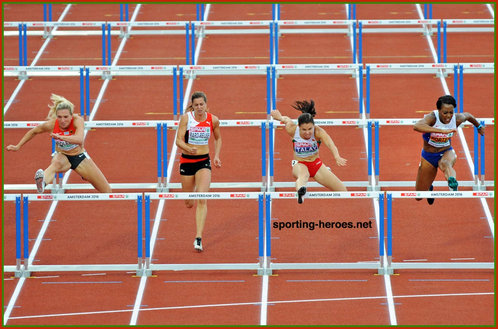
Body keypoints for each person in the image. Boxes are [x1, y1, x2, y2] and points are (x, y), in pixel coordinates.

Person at [6, 94, 111, 193]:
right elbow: (34, 131)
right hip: (63, 156)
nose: (62, 120)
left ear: (72, 116)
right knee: (56, 163)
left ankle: (86, 175)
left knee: (107, 191)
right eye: (59, 117)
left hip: (79, 157)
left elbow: (79, 139)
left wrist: (61, 137)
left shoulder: (77, 120)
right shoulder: (51, 124)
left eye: (65, 117)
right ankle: (42, 182)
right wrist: (18, 146)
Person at [270, 99, 347, 204]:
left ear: (314, 126)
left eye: (310, 129)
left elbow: (330, 144)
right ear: (299, 127)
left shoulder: (319, 132)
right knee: (303, 176)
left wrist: (337, 156)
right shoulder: (292, 130)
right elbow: (287, 120)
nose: (307, 133)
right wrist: (279, 117)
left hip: (316, 165)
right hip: (300, 164)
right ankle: (300, 192)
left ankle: (302, 189)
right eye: (304, 130)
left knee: (344, 192)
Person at [414, 95, 485, 204]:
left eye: (451, 112)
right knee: (418, 196)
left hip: (446, 151)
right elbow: (417, 126)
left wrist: (478, 126)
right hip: (429, 156)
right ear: (439, 110)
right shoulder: (432, 117)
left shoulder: (457, 119)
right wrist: (441, 131)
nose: (448, 116)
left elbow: (469, 116)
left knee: (446, 163)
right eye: (445, 112)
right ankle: (429, 187)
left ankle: (452, 181)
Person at [175, 91, 222, 252]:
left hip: (203, 161)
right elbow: (178, 140)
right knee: (189, 203)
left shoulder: (213, 120)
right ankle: (192, 188)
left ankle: (198, 237)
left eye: (202, 104)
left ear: (206, 105)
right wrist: (188, 148)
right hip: (187, 162)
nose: (199, 107)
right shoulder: (187, 119)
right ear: (192, 106)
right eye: (196, 105)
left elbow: (218, 138)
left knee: (202, 198)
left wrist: (216, 156)